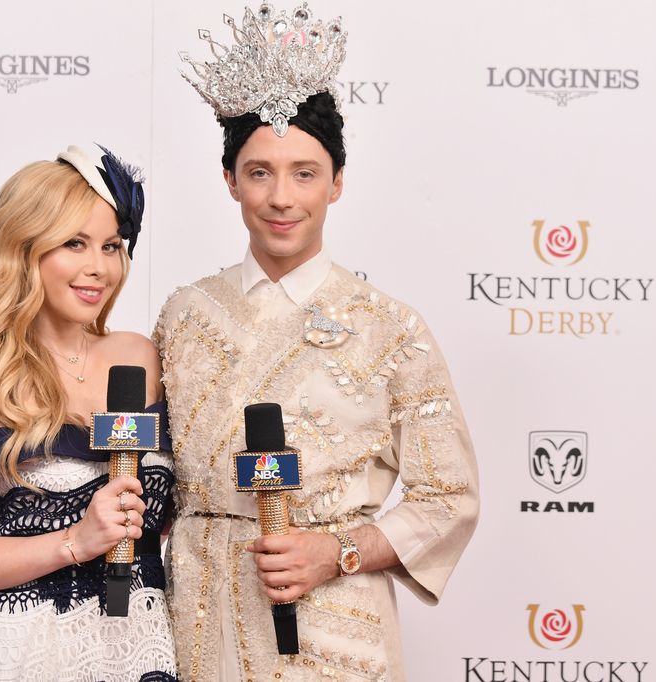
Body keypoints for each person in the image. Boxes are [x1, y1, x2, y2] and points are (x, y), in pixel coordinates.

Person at [156, 4, 480, 680]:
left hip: (334, 625)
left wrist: (339, 552)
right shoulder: (185, 314)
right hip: (197, 620)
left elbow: (448, 498)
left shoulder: (391, 327)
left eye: (304, 173)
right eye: (260, 172)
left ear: (337, 182)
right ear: (229, 181)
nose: (281, 197)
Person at [0, 144, 178, 681]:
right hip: (27, 653)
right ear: (25, 251)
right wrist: (76, 540)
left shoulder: (141, 357)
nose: (98, 267)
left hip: (142, 645)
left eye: (111, 246)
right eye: (74, 243)